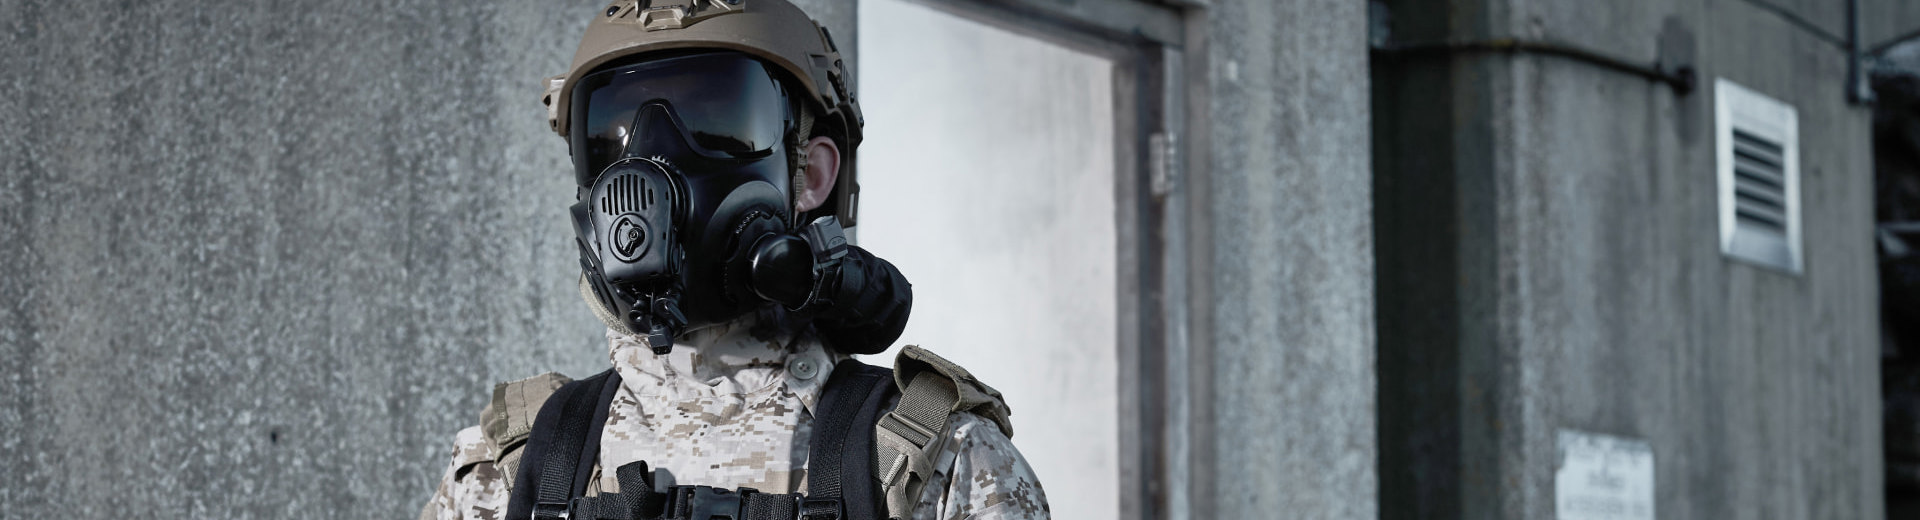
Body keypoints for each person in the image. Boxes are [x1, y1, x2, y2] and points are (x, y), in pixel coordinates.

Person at [419, 1, 1049, 519]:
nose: (649, 164)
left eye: (716, 123)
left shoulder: (933, 466)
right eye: (611, 132)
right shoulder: (509, 473)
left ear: (813, 173)